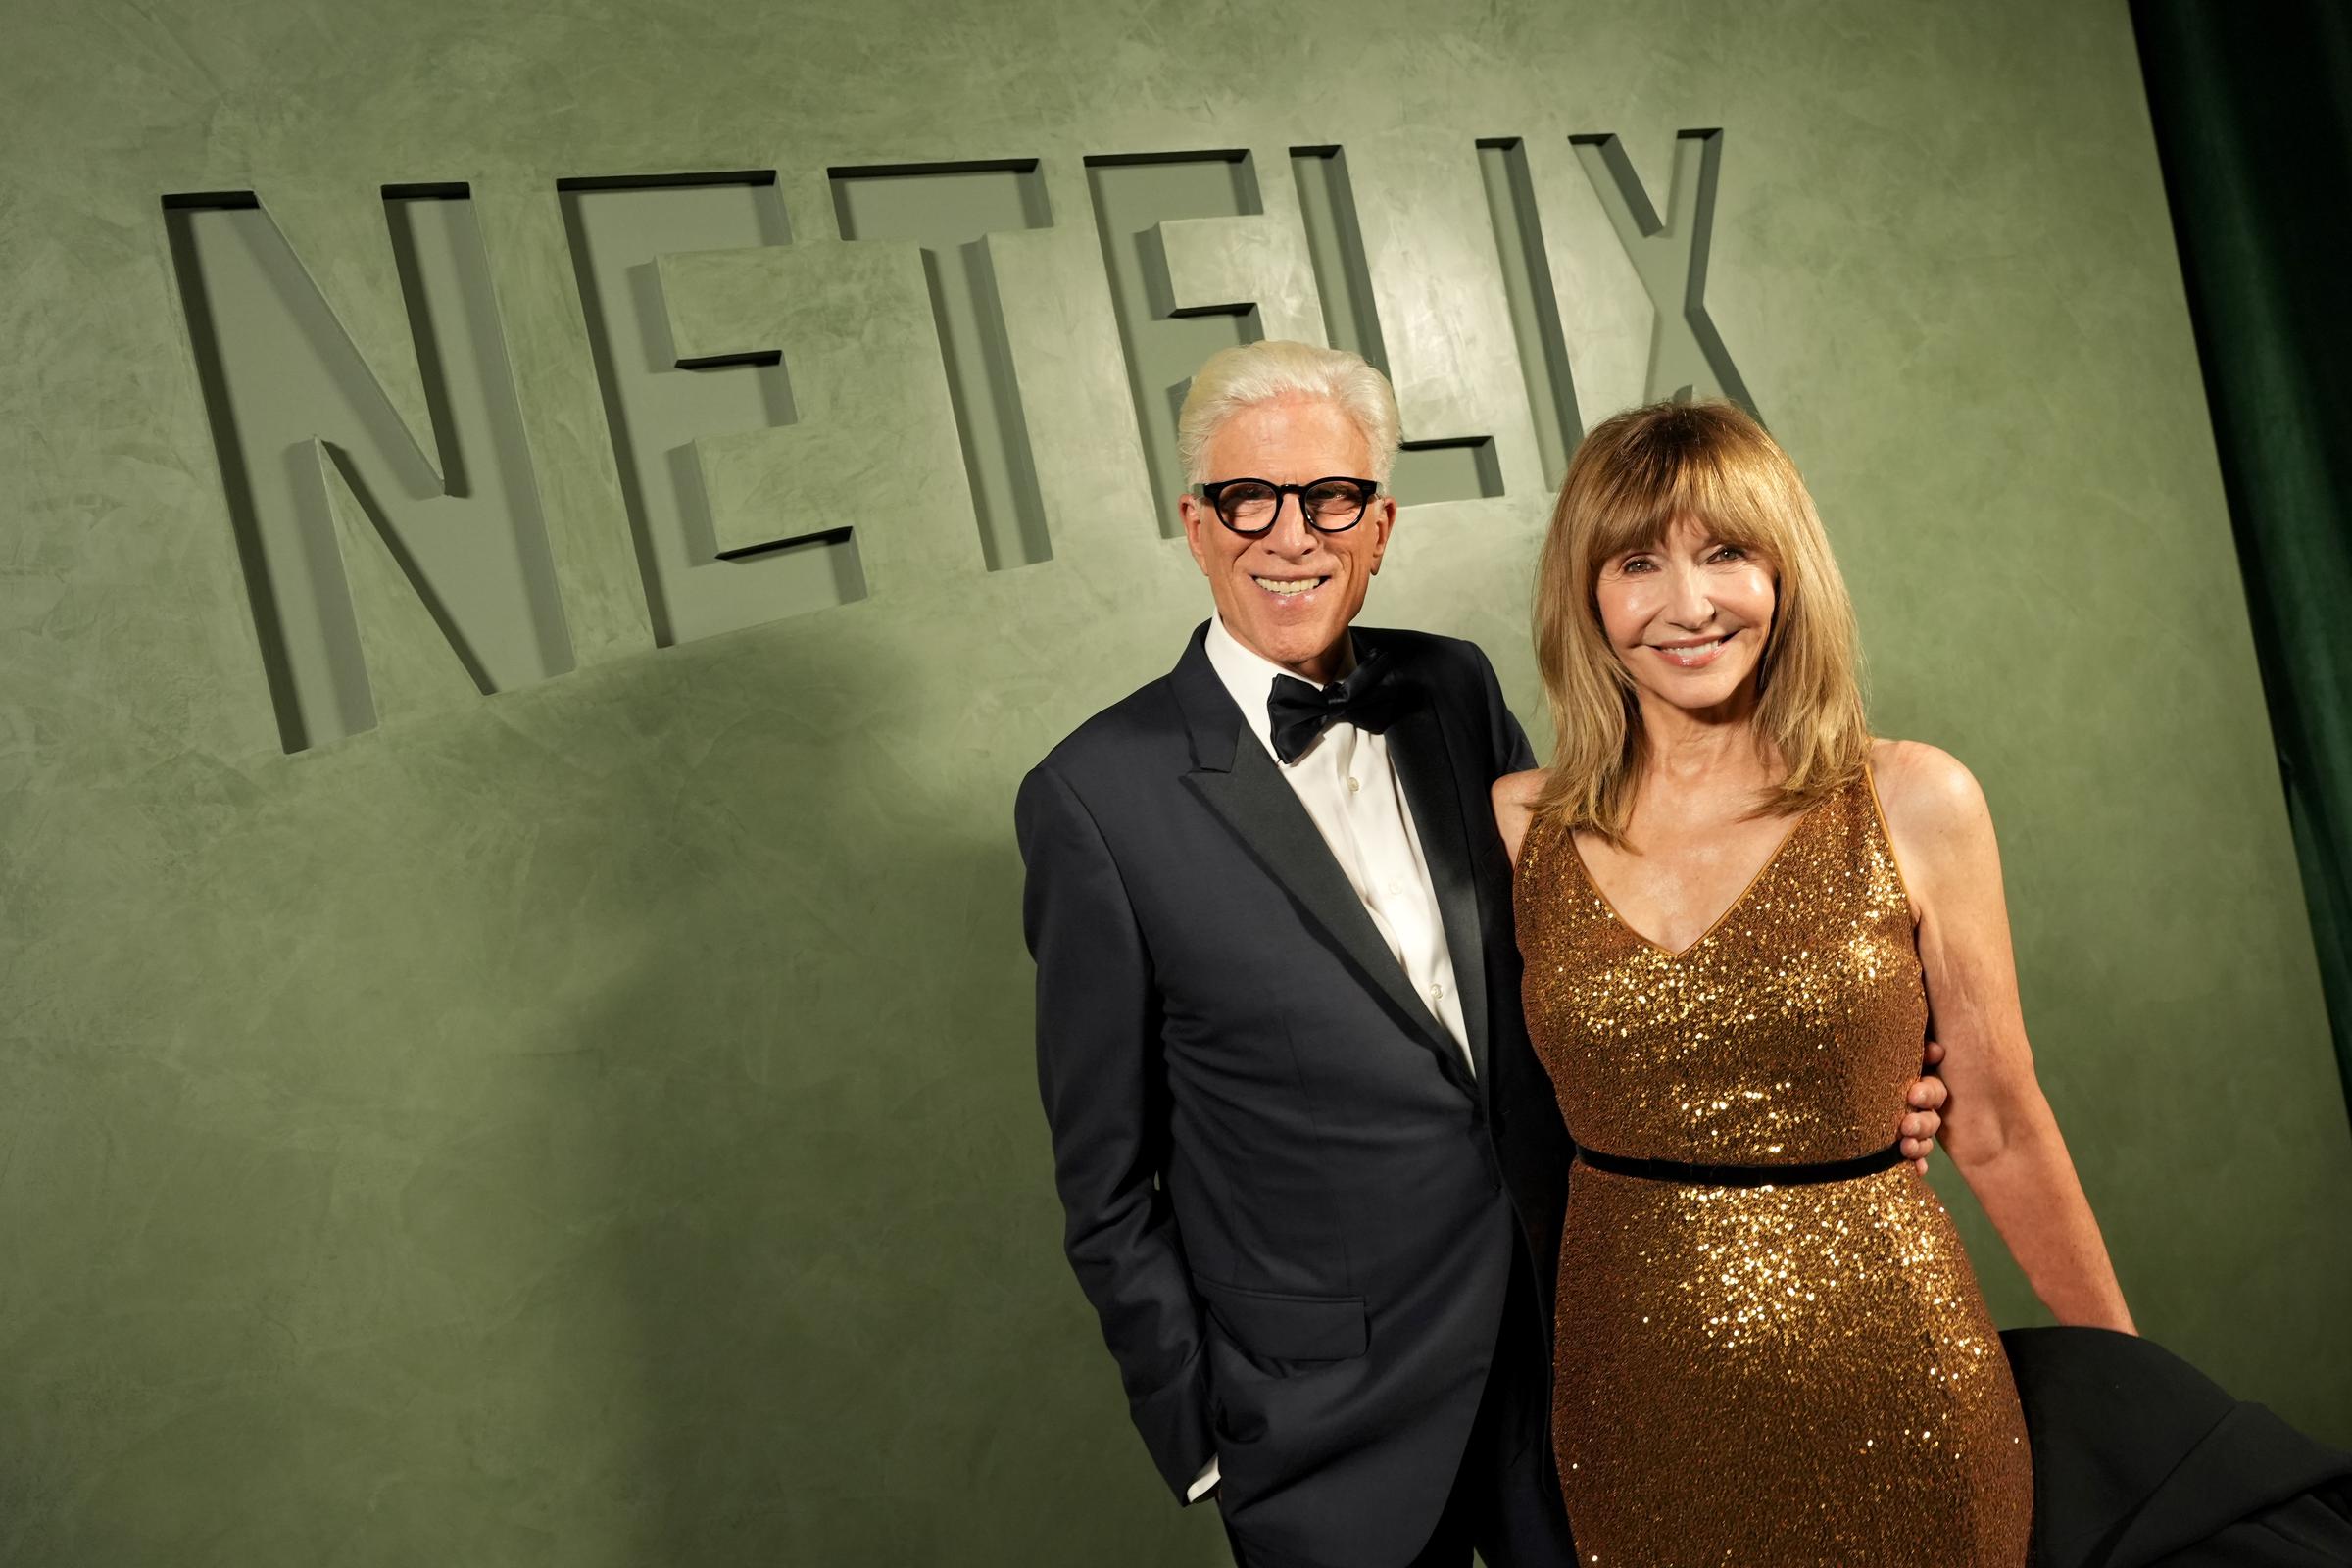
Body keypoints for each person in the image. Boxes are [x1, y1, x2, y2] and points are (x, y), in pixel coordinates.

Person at [1015, 342, 1950, 1568]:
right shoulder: (1095, 797)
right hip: (1323, 1428)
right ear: (1197, 524)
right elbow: (1103, 1176)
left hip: (1576, 1357)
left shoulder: (1451, 689)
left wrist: (1841, 1082)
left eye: (1331, 499)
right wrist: (1201, 1429)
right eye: (1250, 500)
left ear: (1381, 523)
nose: (1291, 537)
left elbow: (1593, 968)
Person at [1494, 397, 2352, 1566]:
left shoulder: (1913, 798)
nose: (1687, 605)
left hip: (1897, 1379)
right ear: (1586, 596)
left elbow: (1996, 1118)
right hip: (1630, 1394)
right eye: (1638, 562)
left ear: (1786, 572)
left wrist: (2151, 1412)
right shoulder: (1519, 823)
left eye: (1727, 553)